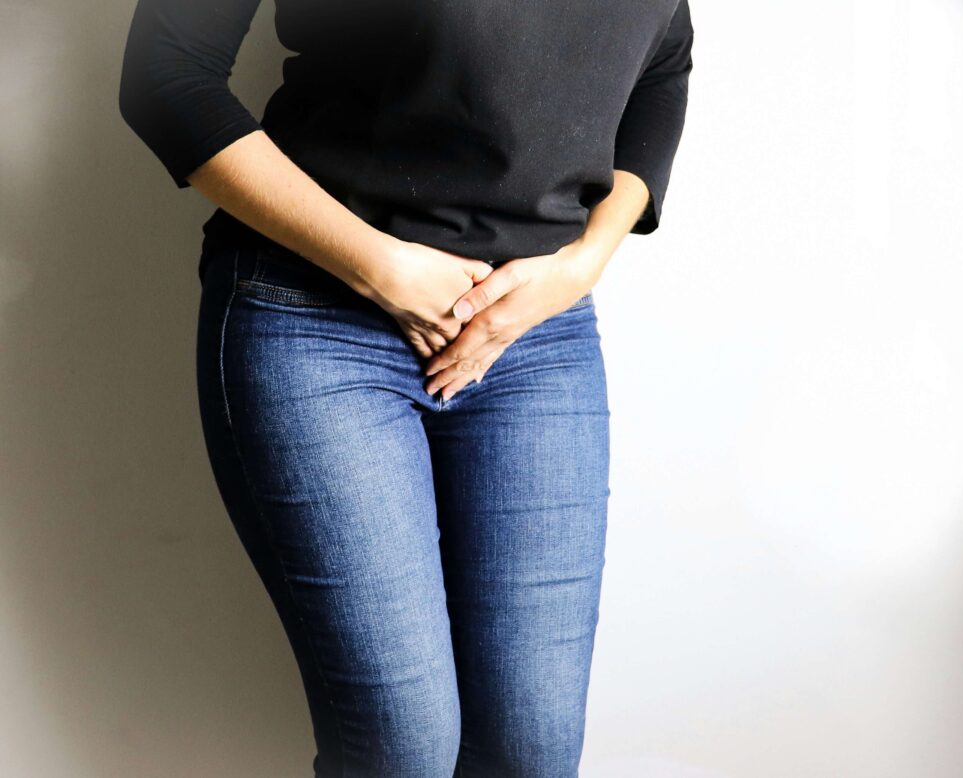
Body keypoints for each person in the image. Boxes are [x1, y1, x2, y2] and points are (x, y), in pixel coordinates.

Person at [118, 1, 694, 775]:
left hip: (533, 338)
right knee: (402, 750)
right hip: (317, 319)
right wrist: (378, 266)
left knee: (531, 750)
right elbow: (165, 75)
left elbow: (663, 62)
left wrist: (584, 262)